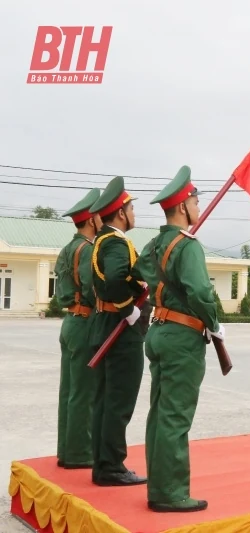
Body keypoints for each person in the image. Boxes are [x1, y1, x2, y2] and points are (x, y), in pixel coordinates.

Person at [131, 165, 223, 512]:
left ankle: (159, 486)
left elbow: (139, 270)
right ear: (183, 207)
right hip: (183, 335)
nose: (199, 207)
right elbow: (200, 290)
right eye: (196, 201)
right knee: (175, 416)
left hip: (157, 331)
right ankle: (169, 493)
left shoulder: (156, 244)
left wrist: (158, 290)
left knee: (160, 413)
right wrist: (214, 323)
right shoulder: (188, 246)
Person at [88, 176, 150, 486]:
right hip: (119, 329)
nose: (134, 213)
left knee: (104, 399)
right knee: (118, 401)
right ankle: (112, 466)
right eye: (131, 208)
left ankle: (102, 463)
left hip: (105, 324)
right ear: (122, 213)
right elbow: (115, 278)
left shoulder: (101, 240)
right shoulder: (115, 242)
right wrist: (130, 310)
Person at [55, 188, 102, 469]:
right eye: (98, 216)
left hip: (70, 322)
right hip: (85, 322)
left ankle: (66, 450)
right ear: (90, 220)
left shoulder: (67, 249)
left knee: (69, 391)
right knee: (84, 392)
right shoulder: (87, 251)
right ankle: (80, 453)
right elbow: (91, 288)